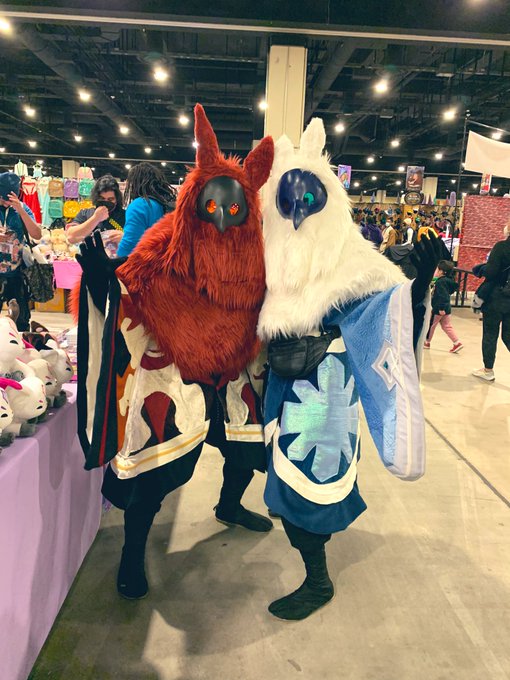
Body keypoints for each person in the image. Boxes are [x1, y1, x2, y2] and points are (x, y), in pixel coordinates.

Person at [75, 105, 275, 601]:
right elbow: (132, 286)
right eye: (213, 208)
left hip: (232, 369)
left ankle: (229, 505)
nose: (223, 220)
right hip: (175, 368)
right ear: (195, 203)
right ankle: (131, 555)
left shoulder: (259, 253)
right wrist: (102, 284)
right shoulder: (168, 239)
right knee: (158, 470)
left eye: (234, 211)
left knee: (246, 447)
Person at [258, 118, 441, 621]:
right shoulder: (269, 256)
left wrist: (417, 288)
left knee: (308, 492)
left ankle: (318, 581)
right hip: (282, 387)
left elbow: (386, 312)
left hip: (324, 394)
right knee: (285, 482)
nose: (298, 210)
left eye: (308, 198)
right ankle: (305, 549)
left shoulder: (352, 257)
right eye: (288, 200)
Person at [0, 172, 42, 331]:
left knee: (21, 321)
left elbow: (37, 234)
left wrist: (21, 211)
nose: (5, 203)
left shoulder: (22, 209)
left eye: (9, 199)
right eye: (2, 198)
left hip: (17, 274)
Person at [472, 224, 510, 381]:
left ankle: (488, 370)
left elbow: (491, 272)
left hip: (496, 297)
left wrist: (481, 268)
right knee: (508, 336)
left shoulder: (501, 247)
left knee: (490, 334)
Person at [117, 163, 176, 257]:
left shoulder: (140, 205)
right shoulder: (171, 205)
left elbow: (129, 247)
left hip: (148, 263)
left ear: (135, 183)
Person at [66, 175, 125, 248]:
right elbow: (71, 237)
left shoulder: (126, 216)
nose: (106, 202)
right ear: (96, 198)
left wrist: (125, 239)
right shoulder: (85, 213)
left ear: (116, 200)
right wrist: (95, 218)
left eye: (110, 199)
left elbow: (137, 241)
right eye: (102, 199)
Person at [424, 260, 462, 352]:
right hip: (447, 308)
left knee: (431, 325)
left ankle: (427, 342)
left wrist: (441, 308)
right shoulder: (447, 281)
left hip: (438, 308)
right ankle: (456, 342)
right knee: (446, 326)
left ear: (441, 271)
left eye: (437, 269)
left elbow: (442, 296)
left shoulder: (440, 283)